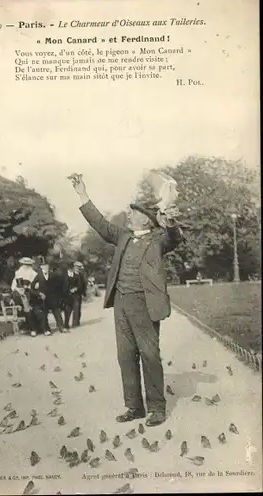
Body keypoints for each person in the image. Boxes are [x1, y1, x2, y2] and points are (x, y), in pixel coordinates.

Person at [70, 175, 184, 427]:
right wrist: (82, 195)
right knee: (125, 355)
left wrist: (172, 222)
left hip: (144, 303)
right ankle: (134, 406)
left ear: (145, 218)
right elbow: (99, 224)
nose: (129, 216)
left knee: (149, 354)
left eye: (133, 213)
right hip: (120, 303)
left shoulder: (159, 238)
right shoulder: (122, 235)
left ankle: (157, 408)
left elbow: (174, 238)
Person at [11, 257, 46, 337]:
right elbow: (13, 286)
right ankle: (32, 328)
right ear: (22, 264)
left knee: (33, 308)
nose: (26, 266)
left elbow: (37, 285)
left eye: (28, 264)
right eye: (25, 264)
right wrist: (18, 290)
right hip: (21, 295)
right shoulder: (18, 273)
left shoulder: (34, 273)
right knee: (27, 308)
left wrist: (32, 287)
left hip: (31, 294)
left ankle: (36, 328)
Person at [64, 261, 87, 329]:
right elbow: (66, 282)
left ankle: (75, 323)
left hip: (77, 294)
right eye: (77, 267)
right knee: (68, 309)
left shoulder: (80, 275)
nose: (78, 269)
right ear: (74, 267)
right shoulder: (70, 274)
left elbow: (83, 284)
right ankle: (66, 324)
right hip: (69, 294)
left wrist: (79, 290)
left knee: (77, 308)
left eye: (79, 267)